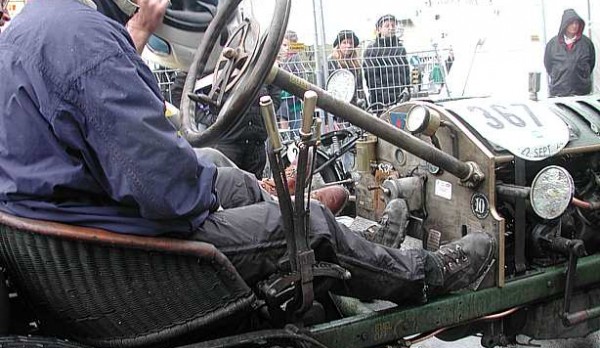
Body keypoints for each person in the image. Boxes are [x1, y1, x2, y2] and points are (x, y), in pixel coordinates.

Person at [0, 0, 495, 307]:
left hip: (80, 234)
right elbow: (170, 194)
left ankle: (363, 249)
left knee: (222, 171)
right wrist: (210, 198)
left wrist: (211, 186)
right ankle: (426, 275)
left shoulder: (27, 32)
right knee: (306, 227)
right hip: (125, 257)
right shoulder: (84, 41)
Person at [363, 14, 410, 111]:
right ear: (379, 29)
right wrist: (384, 99)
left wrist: (407, 92)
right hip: (381, 103)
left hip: (401, 99)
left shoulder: (400, 48)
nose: (391, 28)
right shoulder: (372, 50)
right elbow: (372, 79)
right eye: (387, 25)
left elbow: (406, 72)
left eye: (393, 25)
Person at [544, 9, 596, 97]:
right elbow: (548, 65)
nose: (574, 26)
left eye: (577, 23)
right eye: (571, 23)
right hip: (559, 93)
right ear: (565, 24)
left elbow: (591, 63)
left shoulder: (586, 43)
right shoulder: (552, 44)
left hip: (582, 93)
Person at [328, 29, 366, 107]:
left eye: (351, 43)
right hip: (336, 103)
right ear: (338, 45)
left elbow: (360, 86)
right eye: (345, 43)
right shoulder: (331, 61)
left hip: (354, 103)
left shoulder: (356, 63)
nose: (348, 46)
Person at [277, 30, 305, 133]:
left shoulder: (296, 58)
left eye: (290, 46)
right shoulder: (277, 59)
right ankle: (285, 134)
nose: (287, 49)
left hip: (294, 98)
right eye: (284, 45)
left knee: (296, 127)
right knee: (283, 116)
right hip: (281, 99)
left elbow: (301, 75)